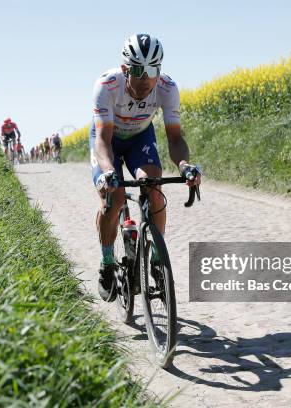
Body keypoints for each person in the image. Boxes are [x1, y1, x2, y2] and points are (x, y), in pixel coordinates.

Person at [91, 34, 201, 301]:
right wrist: (108, 172)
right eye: (138, 70)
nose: (145, 79)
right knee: (113, 199)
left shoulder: (167, 88)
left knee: (153, 186)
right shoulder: (106, 85)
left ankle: (155, 259)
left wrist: (185, 166)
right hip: (109, 141)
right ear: (126, 69)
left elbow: (175, 139)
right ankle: (107, 263)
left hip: (140, 137)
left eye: (153, 70)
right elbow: (103, 140)